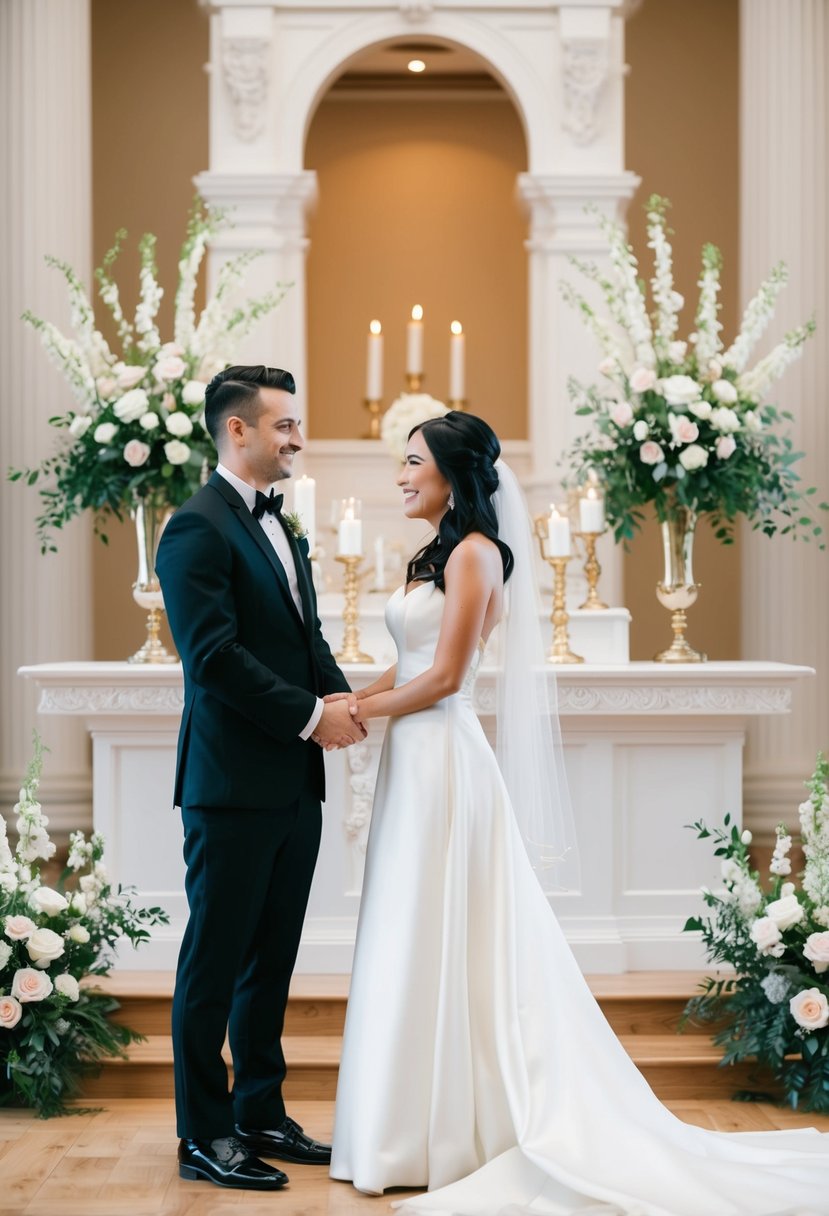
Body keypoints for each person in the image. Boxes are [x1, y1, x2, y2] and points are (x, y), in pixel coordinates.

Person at [329, 411, 829, 1215]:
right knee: (406, 923)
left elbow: (449, 677)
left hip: (443, 761)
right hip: (410, 759)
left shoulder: (474, 554)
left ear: (452, 473)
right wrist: (356, 696)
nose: (399, 475)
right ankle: (402, 1126)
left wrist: (364, 713)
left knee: (438, 920)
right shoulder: (438, 557)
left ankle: (445, 1132)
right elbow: (412, 658)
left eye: (412, 461)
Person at [156, 364, 364, 1192]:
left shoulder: (284, 525)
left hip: (291, 783)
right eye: (283, 426)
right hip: (231, 784)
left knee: (271, 959)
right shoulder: (194, 528)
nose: (296, 439)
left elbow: (302, 638)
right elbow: (213, 660)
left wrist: (344, 695)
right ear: (237, 430)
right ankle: (203, 1134)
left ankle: (260, 1113)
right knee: (213, 964)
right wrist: (313, 717)